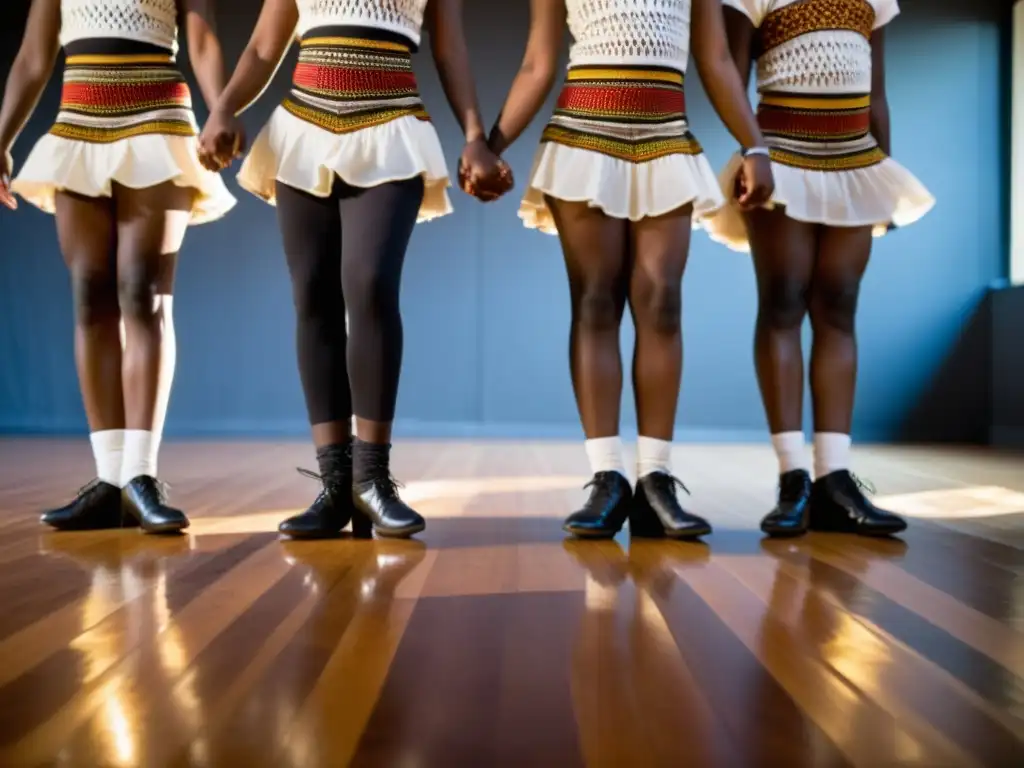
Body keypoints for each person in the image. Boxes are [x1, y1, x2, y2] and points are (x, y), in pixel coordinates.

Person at [198, 0, 512, 540]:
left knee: (369, 283)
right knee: (313, 297)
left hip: (392, 126)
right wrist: (224, 107)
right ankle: (336, 485)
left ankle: (372, 479)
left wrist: (475, 135)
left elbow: (450, 49)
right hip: (304, 125)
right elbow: (264, 46)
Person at [474, 0, 774, 540]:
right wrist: (489, 146)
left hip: (665, 137)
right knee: (595, 300)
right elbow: (539, 63)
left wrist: (754, 145)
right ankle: (606, 477)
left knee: (662, 299)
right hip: (583, 134)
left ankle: (655, 481)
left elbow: (717, 58)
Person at [0, 0, 236, 534]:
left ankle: (140, 475)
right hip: (79, 117)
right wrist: (1, 138)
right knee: (89, 291)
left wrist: (222, 110)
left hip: (157, 115)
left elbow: (200, 41)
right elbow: (35, 56)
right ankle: (109, 481)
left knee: (142, 289)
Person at [710, 0, 934, 537]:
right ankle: (792, 477)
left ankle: (833, 478)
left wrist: (884, 167)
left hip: (855, 158)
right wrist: (751, 150)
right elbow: (729, 77)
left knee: (838, 305)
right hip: (779, 155)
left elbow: (876, 94)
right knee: (784, 300)